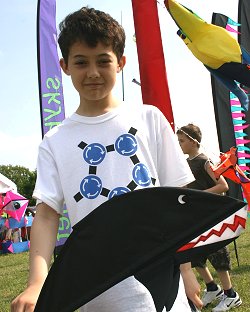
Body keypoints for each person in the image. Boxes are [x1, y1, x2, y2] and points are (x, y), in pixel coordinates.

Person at [11, 7, 202, 312]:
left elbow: (178, 204)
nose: (93, 73)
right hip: (95, 291)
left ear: (121, 62)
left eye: (103, 61)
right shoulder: (54, 141)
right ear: (64, 66)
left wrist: (187, 271)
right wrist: (37, 282)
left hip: (159, 284)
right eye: (81, 62)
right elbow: (46, 216)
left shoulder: (150, 118)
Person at [177, 123, 242, 312]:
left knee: (218, 253)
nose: (179, 144)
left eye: (181, 141)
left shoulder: (204, 161)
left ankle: (231, 295)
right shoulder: (186, 164)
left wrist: (200, 196)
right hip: (196, 218)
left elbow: (223, 186)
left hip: (211, 217)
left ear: (192, 141)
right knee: (195, 254)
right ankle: (212, 288)